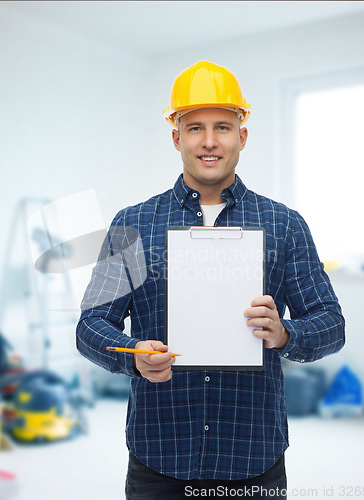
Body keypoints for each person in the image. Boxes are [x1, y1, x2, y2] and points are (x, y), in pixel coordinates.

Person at [76, 60, 345, 499]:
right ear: (176, 136)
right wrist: (132, 356)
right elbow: (90, 326)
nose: (209, 141)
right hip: (158, 453)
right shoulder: (134, 223)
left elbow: (331, 323)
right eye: (194, 126)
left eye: (222, 126)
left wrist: (284, 333)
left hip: (252, 456)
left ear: (242, 135)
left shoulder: (284, 224)